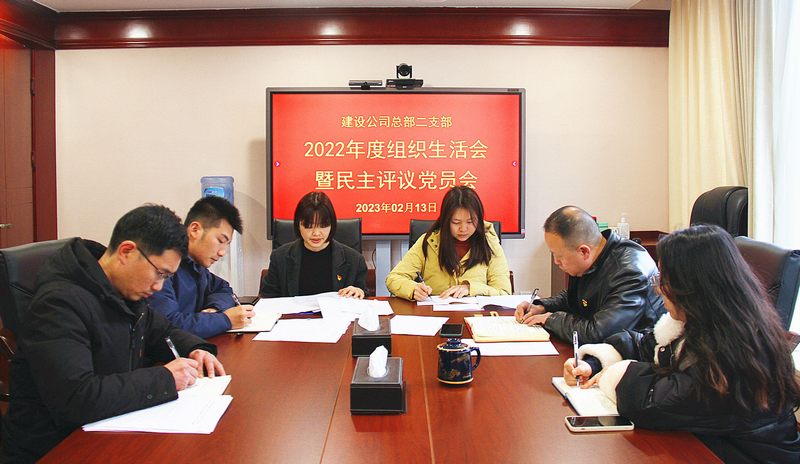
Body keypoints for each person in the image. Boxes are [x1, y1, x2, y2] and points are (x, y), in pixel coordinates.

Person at [1, 205, 225, 462]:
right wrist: (165, 379)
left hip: (109, 429)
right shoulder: (58, 304)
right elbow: (78, 398)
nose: (159, 286)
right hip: (55, 448)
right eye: (159, 273)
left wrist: (196, 349)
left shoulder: (123, 289)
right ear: (126, 251)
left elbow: (163, 330)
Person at [563, 225, 800, 462]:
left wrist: (613, 375)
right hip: (708, 446)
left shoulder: (737, 352)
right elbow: (645, 345)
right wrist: (595, 363)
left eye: (664, 280)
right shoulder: (699, 322)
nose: (659, 289)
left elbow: (654, 402)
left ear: (691, 287)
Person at [514, 206, 664, 344]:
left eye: (559, 256)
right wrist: (543, 306)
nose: (556, 262)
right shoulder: (596, 255)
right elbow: (577, 298)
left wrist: (551, 319)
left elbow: (599, 334)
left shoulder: (629, 271)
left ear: (584, 251)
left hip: (641, 354)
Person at [149, 196, 254, 338]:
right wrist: (225, 320)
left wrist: (214, 309)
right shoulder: (162, 266)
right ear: (195, 230)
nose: (222, 252)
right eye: (220, 241)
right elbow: (167, 326)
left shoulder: (196, 266)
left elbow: (223, 289)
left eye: (226, 245)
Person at [386, 186, 511, 301]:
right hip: (435, 315)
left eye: (470, 221)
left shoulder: (490, 243)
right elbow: (394, 278)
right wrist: (413, 289)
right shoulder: (429, 241)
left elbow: (504, 292)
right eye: (456, 222)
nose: (463, 229)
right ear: (446, 221)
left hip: (476, 315)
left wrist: (470, 288)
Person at [259, 191, 367, 298]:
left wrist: (358, 292)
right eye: (309, 226)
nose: (316, 233)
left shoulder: (354, 260)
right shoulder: (280, 257)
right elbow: (268, 298)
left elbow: (364, 297)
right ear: (298, 225)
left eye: (323, 226)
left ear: (332, 225)